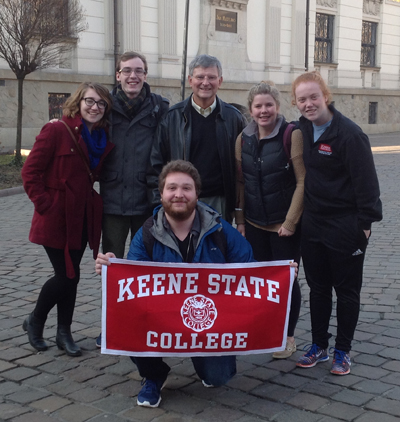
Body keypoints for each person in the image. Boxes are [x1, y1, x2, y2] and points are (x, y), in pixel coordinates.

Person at [96, 160, 255, 407]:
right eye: (172, 188)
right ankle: (153, 373)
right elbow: (134, 278)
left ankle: (203, 359)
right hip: (162, 319)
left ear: (196, 193)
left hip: (209, 321)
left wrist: (280, 273)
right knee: (128, 318)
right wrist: (114, 267)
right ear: (161, 194)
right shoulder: (148, 232)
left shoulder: (220, 229)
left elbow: (250, 267)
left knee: (218, 377)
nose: (179, 195)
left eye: (186, 188)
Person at [291, 71, 382, 375]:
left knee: (346, 291)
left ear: (325, 96)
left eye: (313, 96)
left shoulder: (350, 134)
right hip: (314, 225)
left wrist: (365, 226)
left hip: (346, 227)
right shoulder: (302, 128)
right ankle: (319, 345)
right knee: (318, 289)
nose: (308, 103)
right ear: (296, 102)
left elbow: (367, 184)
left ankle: (343, 350)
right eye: (302, 99)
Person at [21, 82, 114, 357]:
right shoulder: (56, 130)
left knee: (72, 275)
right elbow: (30, 173)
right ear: (78, 102)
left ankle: (64, 333)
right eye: (90, 101)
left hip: (81, 216)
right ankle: (35, 320)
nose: (94, 107)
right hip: (55, 218)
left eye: (101, 103)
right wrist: (45, 204)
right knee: (66, 275)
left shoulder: (100, 136)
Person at [235, 81, 305, 359]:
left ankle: (288, 336)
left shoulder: (292, 134)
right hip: (254, 224)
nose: (264, 111)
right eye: (258, 106)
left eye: (269, 105)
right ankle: (267, 329)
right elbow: (241, 182)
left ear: (277, 106)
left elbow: (303, 180)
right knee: (261, 282)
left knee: (287, 281)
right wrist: (240, 219)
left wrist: (290, 221)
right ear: (251, 110)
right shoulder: (242, 139)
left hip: (283, 227)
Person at [148, 54, 247, 222]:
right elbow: (155, 165)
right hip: (181, 199)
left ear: (220, 81)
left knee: (217, 247)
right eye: (200, 77)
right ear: (190, 80)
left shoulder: (234, 118)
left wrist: (239, 212)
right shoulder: (172, 118)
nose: (205, 82)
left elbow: (244, 168)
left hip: (219, 202)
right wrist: (160, 203)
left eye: (212, 77)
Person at [100, 51, 169, 258]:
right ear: (118, 75)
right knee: (112, 263)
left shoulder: (160, 107)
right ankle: (111, 293)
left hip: (147, 200)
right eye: (127, 70)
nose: (133, 76)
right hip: (113, 201)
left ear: (145, 75)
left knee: (147, 259)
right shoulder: (104, 106)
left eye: (139, 71)